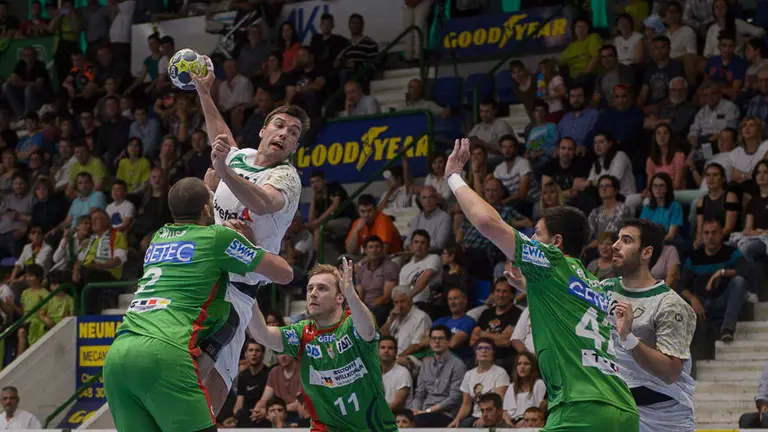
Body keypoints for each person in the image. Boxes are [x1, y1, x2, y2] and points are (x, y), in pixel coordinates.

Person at [443, 137, 639, 430]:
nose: (532, 240)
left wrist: (454, 177)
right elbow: (567, 309)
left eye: (537, 234)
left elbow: (487, 223)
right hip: (622, 409)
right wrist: (527, 287)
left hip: (579, 408)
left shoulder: (551, 261)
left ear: (556, 242)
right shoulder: (593, 284)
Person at [102, 177, 293, 432]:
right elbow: (285, 273)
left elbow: (192, 233)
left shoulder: (158, 238)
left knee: (226, 319)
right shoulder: (218, 238)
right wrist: (244, 244)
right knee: (229, 319)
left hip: (118, 356)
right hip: (165, 353)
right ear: (206, 209)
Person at [192, 55, 308, 413]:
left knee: (216, 383)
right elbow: (221, 136)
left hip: (240, 290)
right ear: (263, 131)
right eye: (279, 126)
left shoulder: (287, 178)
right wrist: (204, 91)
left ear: (293, 148)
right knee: (187, 367)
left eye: (293, 134)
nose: (284, 134)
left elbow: (263, 203)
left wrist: (222, 172)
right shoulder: (238, 156)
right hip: (207, 276)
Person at [248, 260, 398, 431]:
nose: (313, 293)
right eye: (310, 288)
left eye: (322, 288)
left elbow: (368, 331)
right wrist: (248, 294)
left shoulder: (352, 323)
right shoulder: (302, 332)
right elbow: (263, 335)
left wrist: (352, 296)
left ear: (340, 297)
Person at [605, 219, 697, 432]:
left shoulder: (671, 304)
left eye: (626, 240)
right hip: (614, 409)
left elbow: (671, 372)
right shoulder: (603, 289)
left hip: (663, 418)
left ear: (646, 253)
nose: (615, 245)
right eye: (618, 238)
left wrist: (629, 338)